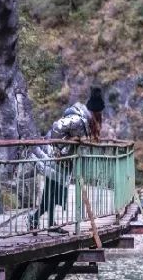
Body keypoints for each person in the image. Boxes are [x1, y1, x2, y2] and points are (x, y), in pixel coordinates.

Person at [28, 87, 104, 232]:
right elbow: (57, 127)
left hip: (62, 160)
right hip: (54, 157)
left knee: (53, 193)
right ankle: (38, 220)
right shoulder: (78, 119)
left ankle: (45, 222)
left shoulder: (86, 121)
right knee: (52, 192)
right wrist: (58, 148)